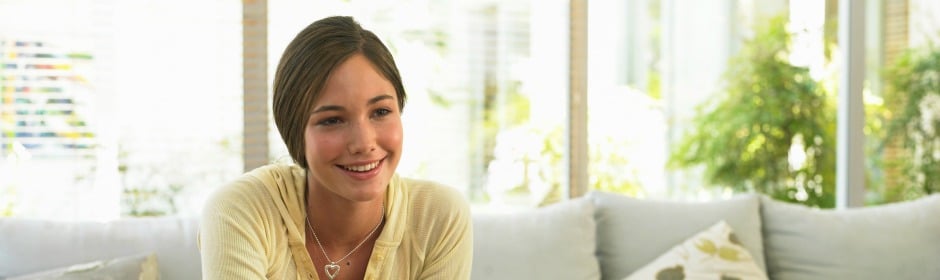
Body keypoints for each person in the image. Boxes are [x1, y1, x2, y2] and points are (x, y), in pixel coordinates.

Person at [198, 16, 473, 280]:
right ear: (295, 131)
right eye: (332, 120)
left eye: (380, 112)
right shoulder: (241, 212)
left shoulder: (438, 217)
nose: (364, 143)